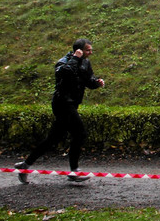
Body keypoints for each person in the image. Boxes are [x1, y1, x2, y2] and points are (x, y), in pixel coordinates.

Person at [15, 38, 105, 183]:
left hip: (73, 103)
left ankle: (25, 165)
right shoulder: (64, 61)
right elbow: (64, 73)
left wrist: (96, 82)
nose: (91, 52)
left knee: (53, 139)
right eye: (88, 50)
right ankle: (74, 171)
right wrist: (76, 58)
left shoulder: (86, 63)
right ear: (79, 50)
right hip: (62, 103)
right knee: (80, 133)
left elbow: (88, 80)